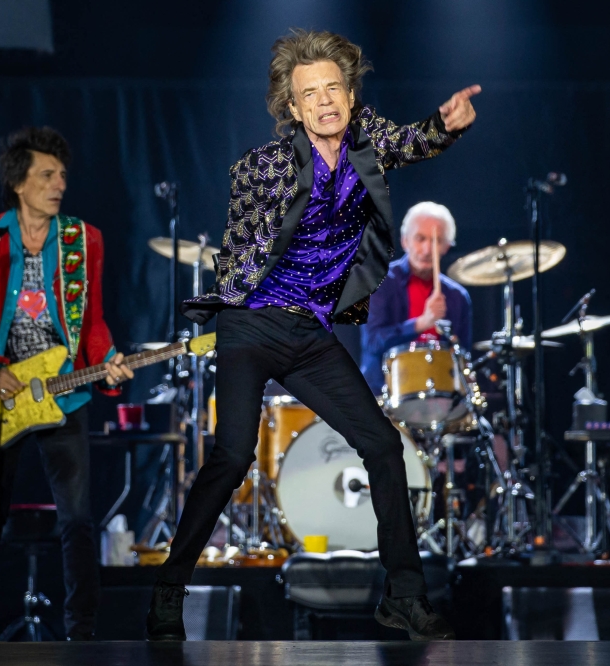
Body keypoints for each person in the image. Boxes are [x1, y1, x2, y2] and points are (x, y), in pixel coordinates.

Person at [147, 29, 479, 642]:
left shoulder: (366, 141)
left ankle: (404, 596)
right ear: (294, 109)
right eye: (310, 94)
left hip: (309, 333)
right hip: (253, 324)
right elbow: (241, 252)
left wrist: (446, 124)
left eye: (333, 88)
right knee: (233, 455)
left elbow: (414, 141)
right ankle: (169, 589)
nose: (325, 100)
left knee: (383, 446)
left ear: (350, 96)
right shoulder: (263, 167)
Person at [0, 126, 133, 641]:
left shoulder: (83, 240)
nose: (59, 183)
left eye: (62, 174)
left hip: (63, 392)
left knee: (78, 519)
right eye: (47, 175)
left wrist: (107, 360)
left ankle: (82, 634)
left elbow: (92, 321)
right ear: (19, 183)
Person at [360, 202, 472, 394]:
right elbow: (372, 342)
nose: (427, 249)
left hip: (440, 394)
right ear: (405, 241)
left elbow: (463, 355)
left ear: (447, 247)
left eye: (436, 241)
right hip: (384, 394)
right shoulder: (380, 281)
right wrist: (421, 323)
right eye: (420, 239)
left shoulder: (457, 296)